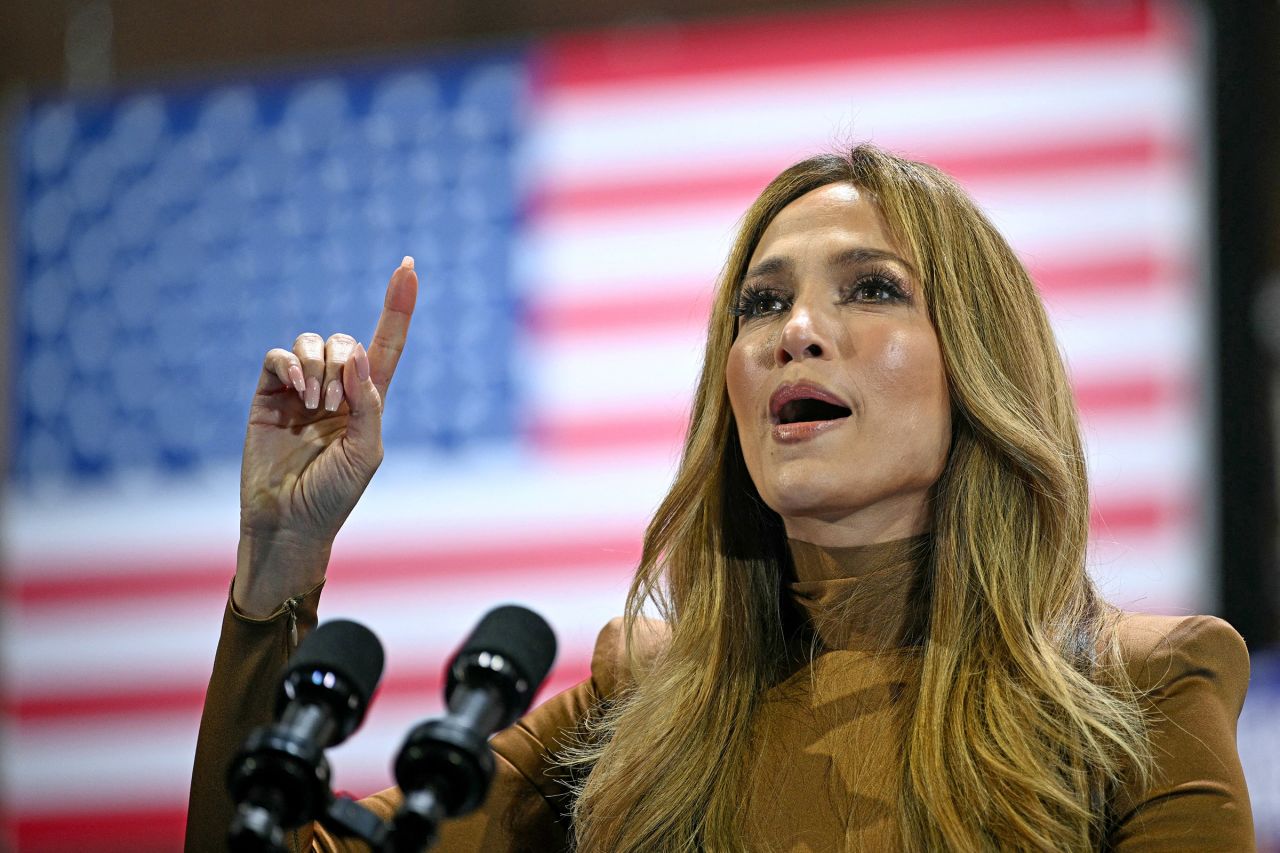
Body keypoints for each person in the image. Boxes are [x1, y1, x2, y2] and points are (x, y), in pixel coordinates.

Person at [186, 145, 1255, 852]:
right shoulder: (638, 708)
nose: (794, 328)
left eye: (870, 287)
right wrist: (280, 559)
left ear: (981, 365)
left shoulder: (1141, 695)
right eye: (762, 301)